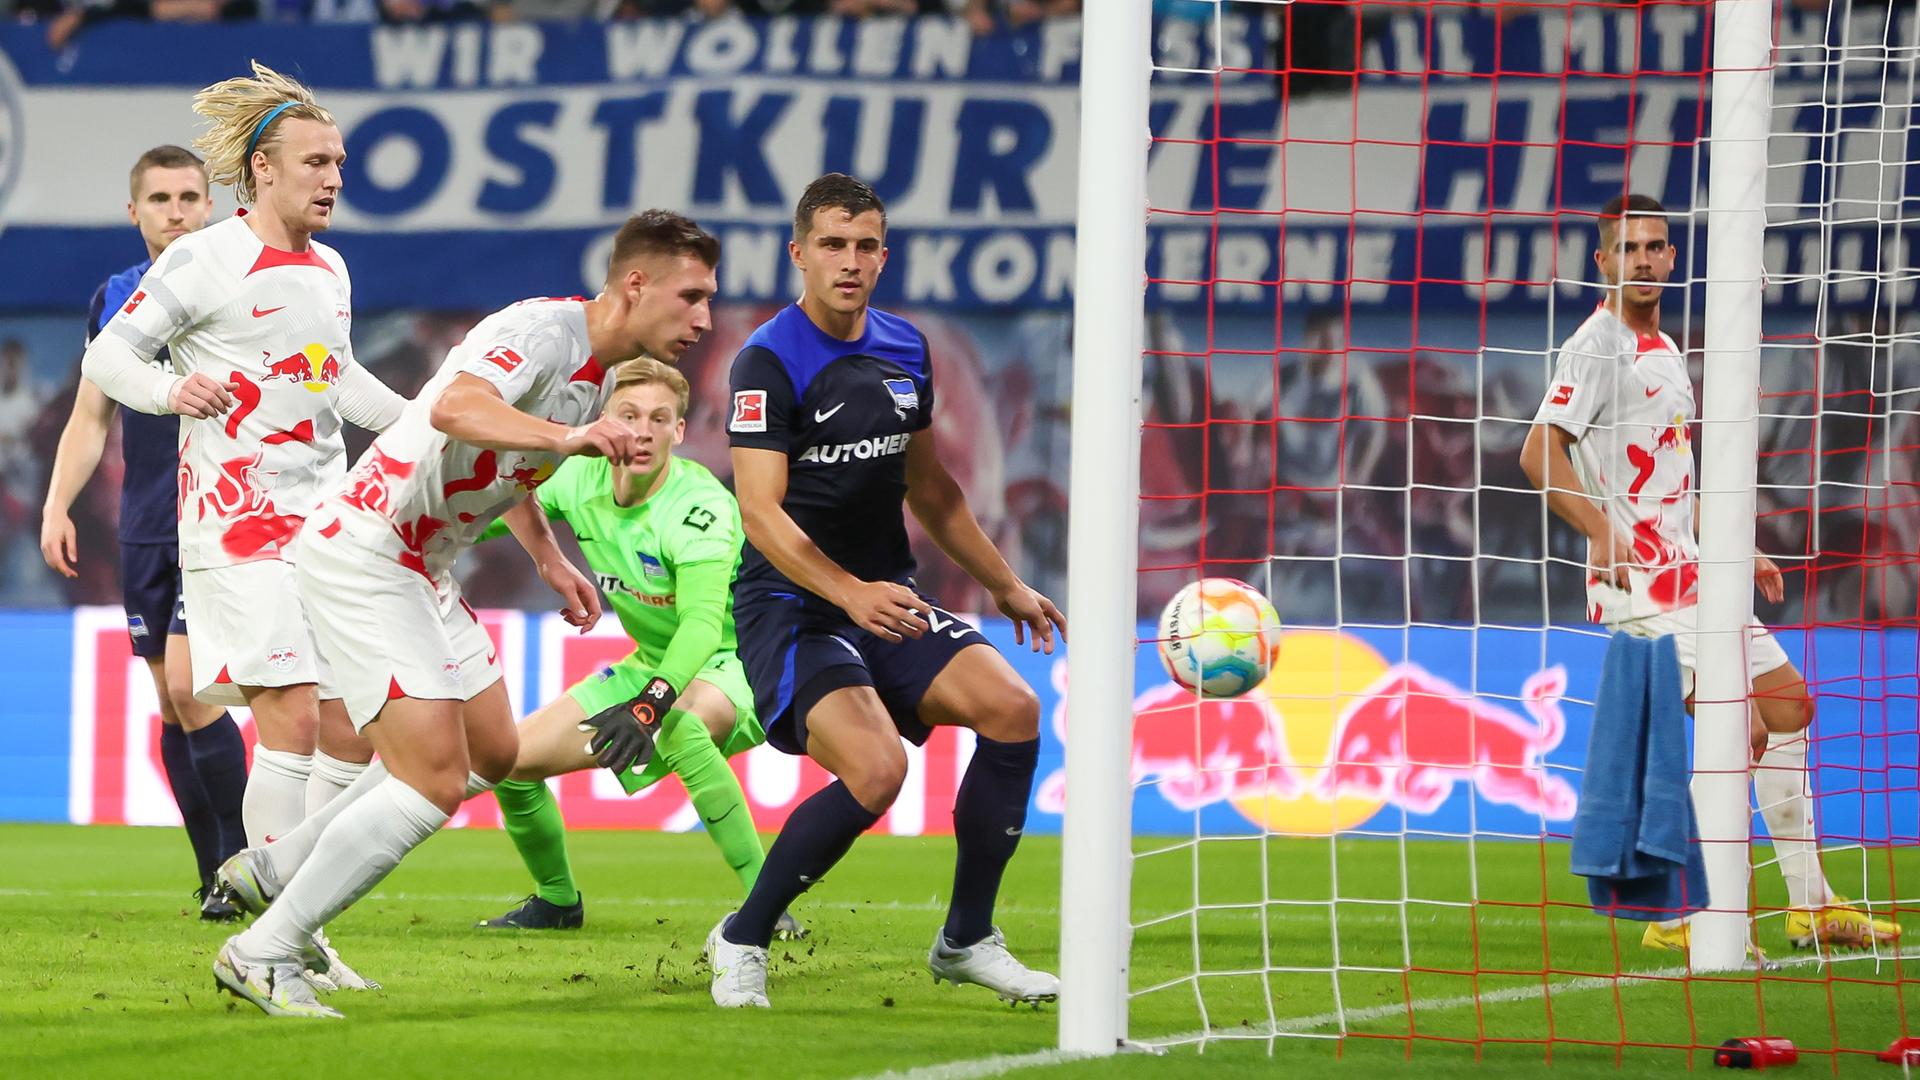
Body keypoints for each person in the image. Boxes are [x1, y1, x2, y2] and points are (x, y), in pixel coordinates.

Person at [211, 211, 720, 1019]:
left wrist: (550, 558)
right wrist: (572, 436)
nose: (704, 319)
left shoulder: (597, 375)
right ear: (636, 283)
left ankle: (275, 868)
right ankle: (265, 949)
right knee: (434, 780)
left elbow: (503, 466)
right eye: (691, 296)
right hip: (368, 551)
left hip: (425, 566)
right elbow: (455, 409)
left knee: (496, 748)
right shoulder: (544, 331)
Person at [703, 173, 1065, 1009]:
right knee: (877, 770)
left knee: (1013, 711)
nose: (850, 261)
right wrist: (849, 591)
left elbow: (931, 490)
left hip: (884, 597)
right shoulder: (768, 359)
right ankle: (744, 936)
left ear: (884, 256)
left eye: (866, 245)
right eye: (832, 244)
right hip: (791, 606)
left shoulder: (907, 348)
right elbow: (759, 512)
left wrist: (1004, 583)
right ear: (798, 254)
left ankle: (967, 938)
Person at [79, 63, 406, 985]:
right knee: (292, 719)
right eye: (316, 162)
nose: (334, 177)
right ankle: (283, 947)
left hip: (327, 525)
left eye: (338, 161)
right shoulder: (201, 259)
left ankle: (296, 923)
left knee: (350, 728)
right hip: (236, 528)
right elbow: (110, 357)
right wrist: (171, 387)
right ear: (263, 170)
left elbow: (336, 379)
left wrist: (432, 419)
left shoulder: (332, 266)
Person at [1519, 193, 1902, 954]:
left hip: (1694, 570)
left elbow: (1667, 477)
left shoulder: (1665, 351)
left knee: (1788, 709)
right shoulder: (1597, 346)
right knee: (1739, 727)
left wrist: (1731, 545)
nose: (1644, 260)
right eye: (1628, 249)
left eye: (1655, 247)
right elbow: (1538, 454)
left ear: (1670, 257)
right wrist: (1600, 535)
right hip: (1639, 589)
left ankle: (1811, 907)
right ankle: (1691, 915)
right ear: (1603, 262)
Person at [474, 357, 798, 940]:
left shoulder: (700, 510)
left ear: (679, 430)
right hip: (651, 664)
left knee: (682, 730)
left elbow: (701, 625)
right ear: (604, 419)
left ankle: (766, 904)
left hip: (737, 663)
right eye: (628, 415)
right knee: (509, 763)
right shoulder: (578, 478)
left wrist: (649, 706)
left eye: (659, 418)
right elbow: (493, 516)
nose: (642, 431)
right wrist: (438, 520)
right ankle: (557, 902)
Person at [40, 146, 252, 922]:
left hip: (221, 517)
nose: (175, 211)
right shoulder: (115, 298)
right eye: (159, 198)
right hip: (145, 523)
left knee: (197, 693)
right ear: (135, 212)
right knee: (169, 702)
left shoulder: (243, 286)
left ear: (212, 207)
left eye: (189, 196)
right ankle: (212, 880)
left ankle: (241, 870)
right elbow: (91, 415)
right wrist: (57, 505)